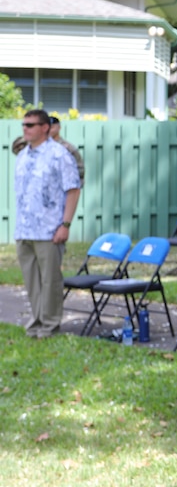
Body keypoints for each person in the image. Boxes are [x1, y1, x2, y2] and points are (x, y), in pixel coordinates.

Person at [14, 109, 81, 338]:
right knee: (32, 281)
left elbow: (73, 189)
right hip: (24, 229)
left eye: (30, 125)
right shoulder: (23, 155)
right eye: (24, 124)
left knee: (50, 280)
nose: (25, 128)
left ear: (44, 127)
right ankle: (37, 322)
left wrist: (65, 224)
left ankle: (50, 325)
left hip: (50, 230)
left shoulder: (60, 155)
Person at [12, 116, 85, 182]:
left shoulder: (67, 148)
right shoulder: (36, 145)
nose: (49, 130)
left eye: (52, 127)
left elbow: (79, 169)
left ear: (59, 128)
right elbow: (16, 148)